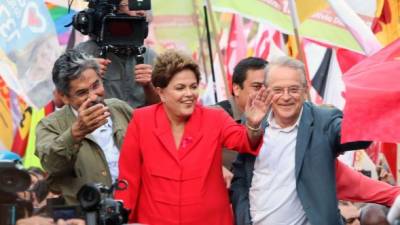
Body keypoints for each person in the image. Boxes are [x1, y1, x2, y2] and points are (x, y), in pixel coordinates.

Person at [115, 50, 273, 225]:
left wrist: (253, 124)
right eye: (180, 88)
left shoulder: (215, 118)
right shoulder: (142, 120)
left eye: (193, 86)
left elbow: (244, 140)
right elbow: (129, 178)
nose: (189, 94)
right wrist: (123, 218)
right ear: (161, 92)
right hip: (155, 219)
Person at [230, 56, 371, 225]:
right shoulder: (254, 121)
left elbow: (358, 136)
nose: (286, 96)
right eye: (278, 90)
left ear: (305, 90)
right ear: (266, 91)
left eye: (294, 89)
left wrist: (369, 100)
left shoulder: (324, 121)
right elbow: (241, 177)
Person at [35, 50, 133, 205]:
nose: (93, 97)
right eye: (82, 93)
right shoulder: (50, 125)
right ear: (64, 97)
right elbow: (51, 164)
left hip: (131, 210)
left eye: (96, 85)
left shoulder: (120, 109)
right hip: (84, 217)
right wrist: (76, 133)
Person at [75, 0, 158, 108]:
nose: (141, 12)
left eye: (142, 4)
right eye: (133, 3)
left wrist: (148, 86)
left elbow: (159, 106)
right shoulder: (81, 55)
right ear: (111, 7)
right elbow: (60, 100)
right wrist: (85, 76)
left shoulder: (149, 56)